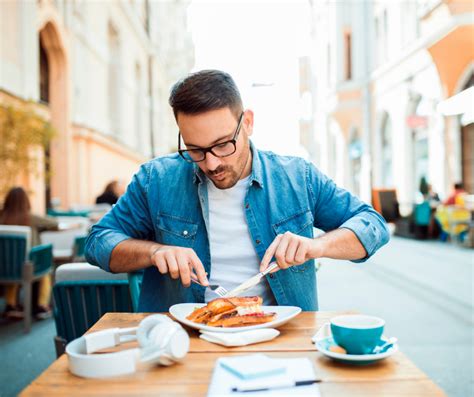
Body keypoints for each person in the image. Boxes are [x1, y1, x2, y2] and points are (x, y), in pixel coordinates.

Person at [85, 70, 390, 312]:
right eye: (195, 150)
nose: (211, 163)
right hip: (181, 342)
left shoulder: (297, 177)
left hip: (280, 339)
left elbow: (372, 224)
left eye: (222, 145)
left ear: (248, 123)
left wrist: (318, 246)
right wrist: (154, 251)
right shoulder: (157, 179)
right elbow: (98, 243)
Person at [0, 187, 56, 319]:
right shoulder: (30, 217)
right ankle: (41, 306)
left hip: (3, 267)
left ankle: (10, 304)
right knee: (46, 272)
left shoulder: (2, 217)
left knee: (12, 269)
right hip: (27, 267)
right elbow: (54, 222)